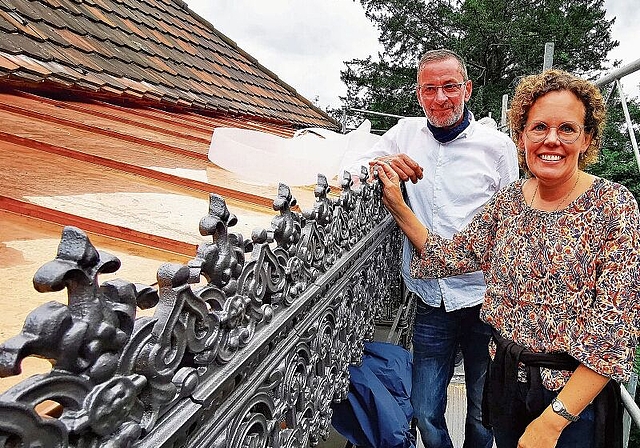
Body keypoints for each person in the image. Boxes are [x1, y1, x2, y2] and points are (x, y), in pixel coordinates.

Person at [375, 68, 640, 448]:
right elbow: (450, 256)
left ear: (588, 139)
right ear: (521, 136)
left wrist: (552, 422)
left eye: (567, 129)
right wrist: (399, 207)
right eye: (539, 128)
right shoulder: (511, 201)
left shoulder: (614, 205)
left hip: (570, 404)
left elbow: (614, 334)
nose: (551, 139)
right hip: (507, 386)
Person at [344, 49, 519, 448]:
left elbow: (511, 219)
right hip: (430, 297)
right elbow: (351, 163)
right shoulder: (405, 133)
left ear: (468, 90)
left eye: (450, 87)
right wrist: (383, 163)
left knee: (481, 410)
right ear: (419, 95)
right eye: (430, 89)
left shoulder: (496, 146)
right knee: (424, 410)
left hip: (483, 299)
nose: (440, 98)